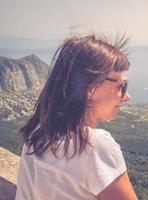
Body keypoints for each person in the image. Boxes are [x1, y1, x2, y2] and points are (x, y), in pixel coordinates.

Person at [15, 34, 138, 200]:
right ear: (89, 86)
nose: (126, 96)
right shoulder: (94, 146)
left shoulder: (37, 132)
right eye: (121, 86)